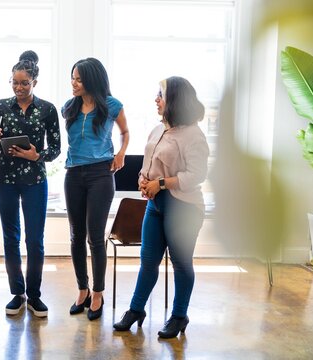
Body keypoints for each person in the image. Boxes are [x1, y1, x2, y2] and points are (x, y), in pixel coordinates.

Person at [113, 76, 209, 338]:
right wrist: (143, 179)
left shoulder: (193, 135)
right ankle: (136, 310)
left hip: (184, 207)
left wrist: (162, 183)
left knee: (180, 263)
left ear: (174, 100)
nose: (156, 99)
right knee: (148, 262)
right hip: (156, 205)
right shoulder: (158, 129)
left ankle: (179, 316)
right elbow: (149, 162)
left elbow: (197, 175)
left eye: (161, 95)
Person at [0, 50, 61, 317]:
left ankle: (35, 295)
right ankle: (17, 294)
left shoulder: (48, 109)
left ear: (34, 83)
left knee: (35, 241)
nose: (19, 88)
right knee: (11, 238)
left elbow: (56, 149)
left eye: (24, 83)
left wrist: (36, 155)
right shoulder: (1, 106)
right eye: (15, 83)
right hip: (3, 179)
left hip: (35, 180)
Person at [62, 57, 129, 321]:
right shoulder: (69, 107)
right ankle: (83, 289)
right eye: (73, 77)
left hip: (101, 174)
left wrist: (122, 153)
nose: (74, 83)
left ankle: (98, 293)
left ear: (92, 79)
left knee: (95, 236)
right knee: (76, 236)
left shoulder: (112, 106)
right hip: (73, 174)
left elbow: (125, 132)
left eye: (79, 78)